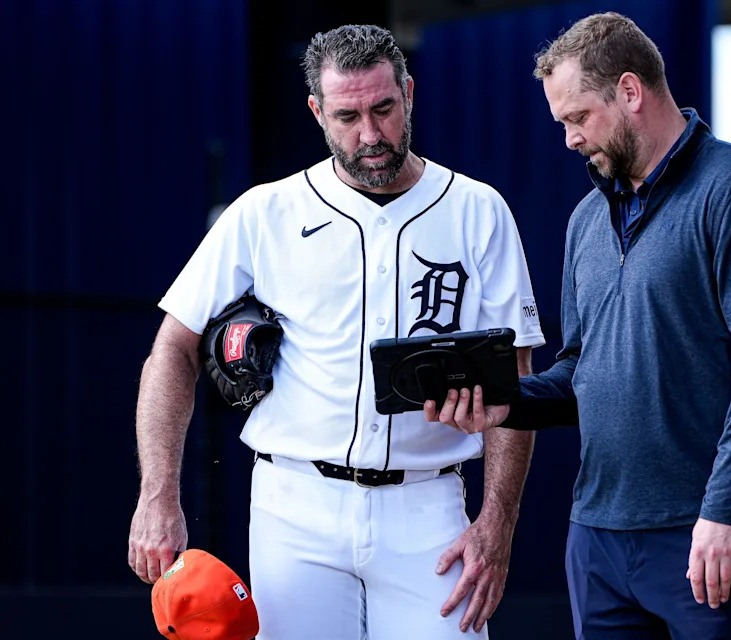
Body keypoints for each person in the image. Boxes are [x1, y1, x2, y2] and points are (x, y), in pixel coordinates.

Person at [127, 24, 545, 640]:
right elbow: (172, 346)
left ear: (409, 92)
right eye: (348, 115)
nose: (370, 135)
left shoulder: (478, 209)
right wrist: (158, 495)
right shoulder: (264, 211)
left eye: (383, 109)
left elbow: (518, 374)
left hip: (428, 507)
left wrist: (497, 523)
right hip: (295, 503)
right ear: (317, 112)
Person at [427, 12, 731, 640]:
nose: (570, 139)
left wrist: (725, 509)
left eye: (578, 118)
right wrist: (503, 402)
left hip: (708, 535)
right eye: (563, 124)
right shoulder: (584, 222)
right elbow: (582, 371)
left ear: (630, 92)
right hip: (599, 539)